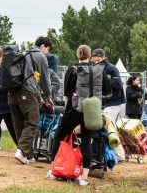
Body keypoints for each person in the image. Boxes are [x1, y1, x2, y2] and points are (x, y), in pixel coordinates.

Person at [48, 45, 111, 187]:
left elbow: (67, 93)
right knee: (86, 142)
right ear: (90, 55)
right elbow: (107, 91)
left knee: (59, 135)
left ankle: (53, 170)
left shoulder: (72, 69)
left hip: (74, 109)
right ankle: (84, 177)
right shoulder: (98, 70)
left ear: (77, 54)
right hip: (92, 111)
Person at [8, 41, 52, 165]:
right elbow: (45, 79)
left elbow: (32, 79)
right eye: (48, 50)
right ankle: (22, 151)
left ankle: (29, 155)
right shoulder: (40, 56)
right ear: (43, 46)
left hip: (12, 94)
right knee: (33, 122)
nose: (47, 53)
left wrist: (39, 97)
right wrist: (48, 96)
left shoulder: (22, 54)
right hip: (26, 93)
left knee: (19, 124)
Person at [91, 48, 126, 161]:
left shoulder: (111, 68)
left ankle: (119, 156)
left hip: (115, 102)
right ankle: (118, 155)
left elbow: (118, 84)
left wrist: (104, 79)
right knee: (110, 127)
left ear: (102, 57)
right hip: (105, 102)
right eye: (94, 60)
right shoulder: (96, 68)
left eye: (97, 59)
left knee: (109, 127)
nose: (95, 62)